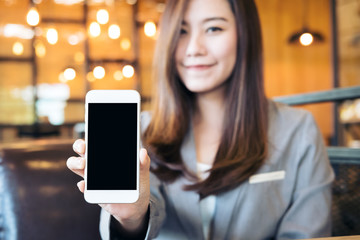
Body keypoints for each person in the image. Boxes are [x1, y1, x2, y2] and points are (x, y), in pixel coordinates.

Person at [67, 0, 335, 239]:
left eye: (213, 29)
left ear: (245, 35)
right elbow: (133, 226)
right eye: (181, 31)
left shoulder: (298, 130)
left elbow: (308, 232)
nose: (193, 49)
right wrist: (133, 216)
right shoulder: (140, 129)